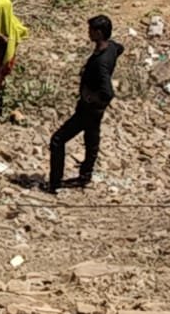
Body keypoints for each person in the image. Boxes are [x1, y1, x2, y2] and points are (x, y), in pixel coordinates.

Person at [47, 15, 124, 193]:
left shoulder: (101, 62)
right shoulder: (111, 48)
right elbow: (121, 48)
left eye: (90, 30)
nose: (88, 33)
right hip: (94, 110)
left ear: (98, 33)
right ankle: (85, 175)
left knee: (58, 140)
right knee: (91, 140)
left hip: (89, 109)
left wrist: (91, 100)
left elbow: (108, 92)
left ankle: (55, 182)